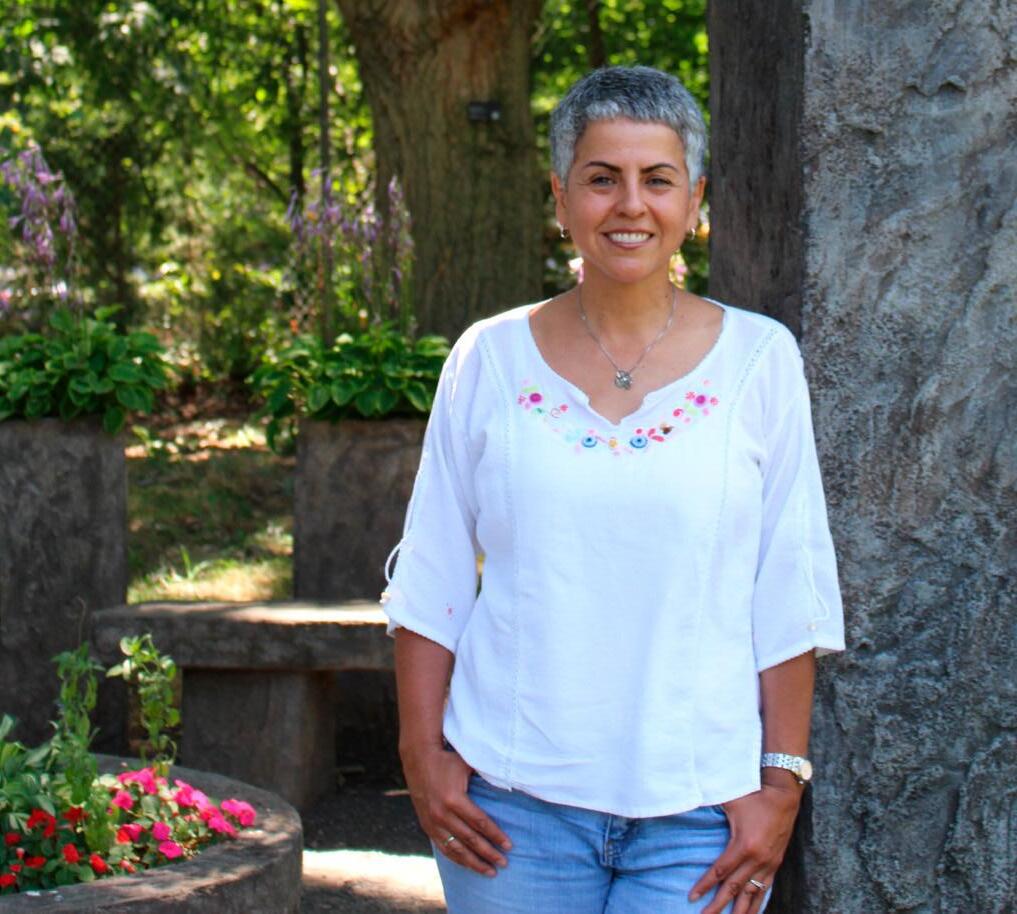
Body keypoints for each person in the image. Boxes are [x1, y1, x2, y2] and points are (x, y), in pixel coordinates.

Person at [380, 65, 845, 914]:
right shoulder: (488, 359)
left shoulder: (758, 361)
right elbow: (433, 573)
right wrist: (422, 754)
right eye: (601, 178)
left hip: (701, 814)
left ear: (693, 199)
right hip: (507, 808)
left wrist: (780, 782)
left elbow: (790, 580)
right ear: (560, 196)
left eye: (657, 179)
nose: (630, 204)